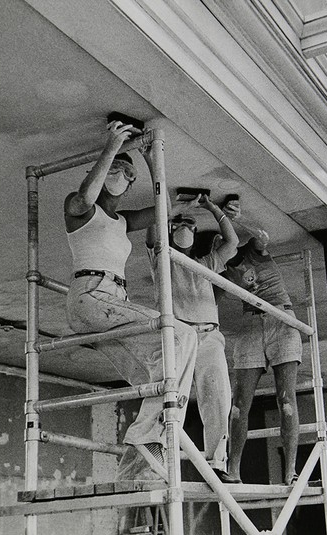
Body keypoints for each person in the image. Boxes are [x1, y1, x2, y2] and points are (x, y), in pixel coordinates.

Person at [64, 120, 198, 480]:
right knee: (184, 336)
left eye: (128, 172)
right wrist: (111, 148)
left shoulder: (121, 221)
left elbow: (164, 210)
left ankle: (142, 459)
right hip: (91, 295)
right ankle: (147, 436)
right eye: (117, 169)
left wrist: (151, 159)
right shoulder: (83, 211)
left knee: (157, 373)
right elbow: (85, 196)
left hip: (111, 302)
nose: (122, 174)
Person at [146, 194, 241, 483]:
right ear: (171, 230)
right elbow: (152, 234)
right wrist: (173, 209)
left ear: (196, 233)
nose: (184, 227)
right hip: (180, 336)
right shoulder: (164, 259)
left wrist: (212, 208)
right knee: (175, 399)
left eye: (189, 224)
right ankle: (162, 460)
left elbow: (232, 243)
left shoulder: (206, 262)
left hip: (210, 337)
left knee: (218, 398)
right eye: (179, 224)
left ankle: (217, 463)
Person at [222, 217, 302, 485]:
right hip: (251, 322)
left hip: (282, 318)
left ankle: (290, 471)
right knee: (239, 404)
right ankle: (233, 471)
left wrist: (233, 217)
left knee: (286, 400)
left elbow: (263, 235)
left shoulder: (253, 252)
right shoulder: (223, 266)